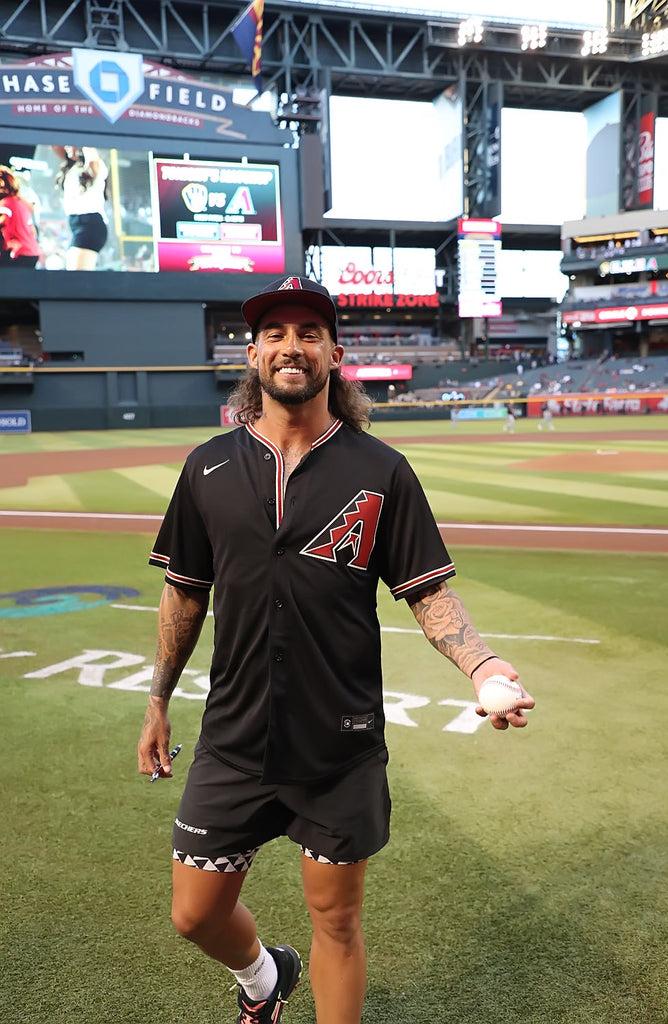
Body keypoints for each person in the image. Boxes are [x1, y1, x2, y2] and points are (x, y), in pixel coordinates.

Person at [137, 275, 535, 1024]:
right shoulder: (208, 466)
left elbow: (426, 590)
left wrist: (482, 667)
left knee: (338, 923)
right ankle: (264, 977)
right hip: (233, 738)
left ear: (334, 354)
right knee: (193, 915)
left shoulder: (379, 469)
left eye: (309, 333)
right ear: (253, 353)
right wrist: (157, 700)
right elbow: (186, 592)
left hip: (339, 742)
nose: (292, 346)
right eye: (276, 333)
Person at [53, 145, 109, 269]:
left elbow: (93, 160)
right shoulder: (73, 167)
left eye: (70, 143)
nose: (66, 146)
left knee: (77, 276)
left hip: (90, 225)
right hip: (77, 225)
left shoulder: (95, 165)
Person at [0, 165, 41, 267]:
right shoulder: (21, 204)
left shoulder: (5, 205)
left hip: (17, 255)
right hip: (32, 253)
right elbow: (33, 231)